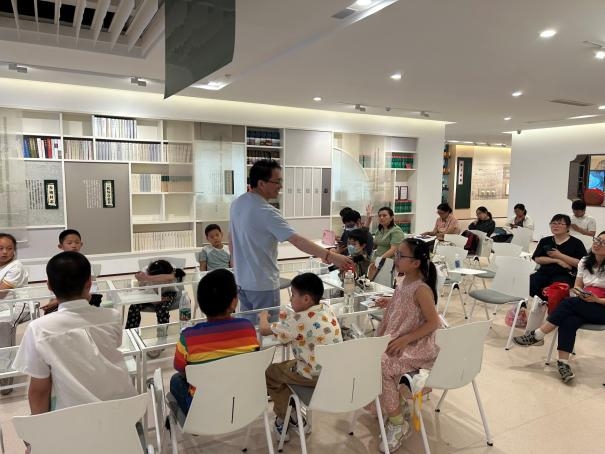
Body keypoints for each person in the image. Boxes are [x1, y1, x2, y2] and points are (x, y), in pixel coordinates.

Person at [12, 251, 136, 413]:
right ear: (89, 283)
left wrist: (39, 426)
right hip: (125, 409)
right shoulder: (112, 316)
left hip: (75, 417)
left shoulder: (38, 328)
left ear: (49, 285)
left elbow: (39, 390)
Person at [229, 159, 351, 314]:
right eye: (277, 182)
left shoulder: (237, 203)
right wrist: (331, 256)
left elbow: (231, 238)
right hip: (263, 284)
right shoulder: (267, 212)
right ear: (261, 183)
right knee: (269, 327)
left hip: (241, 282)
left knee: (251, 326)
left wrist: (236, 268)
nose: (280, 186)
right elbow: (297, 240)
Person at [370, 238, 441, 453]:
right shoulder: (403, 280)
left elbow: (433, 322)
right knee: (369, 354)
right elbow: (404, 304)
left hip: (417, 345)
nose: (396, 258)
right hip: (399, 336)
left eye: (401, 255)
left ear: (416, 263)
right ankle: (395, 403)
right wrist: (389, 302)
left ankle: (398, 423)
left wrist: (406, 339)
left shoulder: (421, 289)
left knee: (380, 364)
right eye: (397, 254)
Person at [259, 273, 342, 440]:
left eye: (293, 295)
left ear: (306, 299)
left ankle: (287, 417)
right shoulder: (326, 308)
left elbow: (264, 330)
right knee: (284, 370)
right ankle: (290, 412)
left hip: (312, 376)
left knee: (270, 373)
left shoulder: (296, 321)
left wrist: (263, 316)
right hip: (335, 373)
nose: (290, 299)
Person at [514, 231, 605, 383]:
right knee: (569, 320)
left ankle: (537, 335)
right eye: (597, 239)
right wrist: (580, 293)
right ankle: (563, 363)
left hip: (602, 307)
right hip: (584, 303)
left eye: (603, 242)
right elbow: (577, 285)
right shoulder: (585, 261)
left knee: (568, 303)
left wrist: (596, 299)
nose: (597, 243)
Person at [170, 269, 259, 414]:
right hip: (242, 404)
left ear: (201, 304)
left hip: (204, 411)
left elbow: (180, 368)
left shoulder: (188, 337)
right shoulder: (247, 328)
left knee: (175, 380)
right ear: (233, 302)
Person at [43, 229, 102, 314]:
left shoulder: (85, 263)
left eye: (77, 242)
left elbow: (92, 290)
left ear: (81, 244)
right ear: (60, 246)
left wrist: (58, 301)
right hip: (62, 302)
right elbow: (54, 288)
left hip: (82, 301)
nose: (74, 246)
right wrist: (56, 300)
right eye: (69, 243)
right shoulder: (56, 264)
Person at [530, 214, 587, 297]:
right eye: (553, 223)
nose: (555, 226)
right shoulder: (545, 240)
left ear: (568, 227)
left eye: (560, 223)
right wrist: (557, 260)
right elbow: (537, 258)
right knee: (530, 283)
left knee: (557, 290)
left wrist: (560, 255)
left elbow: (581, 263)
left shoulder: (576, 243)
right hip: (544, 272)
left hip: (565, 274)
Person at [124, 259, 186, 329]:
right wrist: (154, 299)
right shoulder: (145, 271)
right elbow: (143, 289)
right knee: (134, 307)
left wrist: (148, 278)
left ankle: (162, 332)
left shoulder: (172, 272)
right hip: (149, 293)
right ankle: (131, 331)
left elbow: (172, 276)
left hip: (167, 292)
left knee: (162, 309)